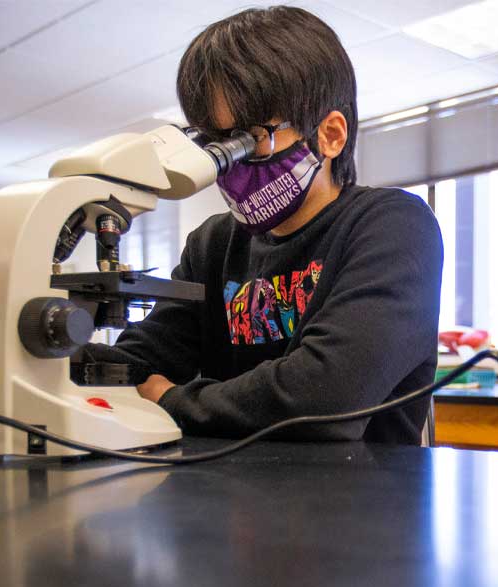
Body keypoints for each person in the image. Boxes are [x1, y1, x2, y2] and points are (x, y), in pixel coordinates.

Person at [84, 6, 443, 443]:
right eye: (216, 144)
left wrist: (171, 401)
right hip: (228, 498)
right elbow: (141, 360)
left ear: (329, 134)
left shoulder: (393, 226)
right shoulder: (213, 245)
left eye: (251, 139)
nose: (231, 165)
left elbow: (325, 395)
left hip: (357, 502)